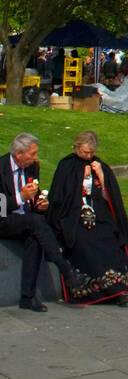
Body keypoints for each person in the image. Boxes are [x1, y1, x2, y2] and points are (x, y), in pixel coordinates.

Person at [0, 133, 89, 311]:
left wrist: (40, 202)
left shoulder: (32, 168)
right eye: (31, 154)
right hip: (4, 219)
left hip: (25, 219)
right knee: (36, 222)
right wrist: (20, 197)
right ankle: (67, 271)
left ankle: (28, 297)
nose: (35, 158)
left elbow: (35, 195)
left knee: (35, 236)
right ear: (18, 154)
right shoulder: (0, 168)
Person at [48, 131, 128, 305]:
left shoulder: (99, 165)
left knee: (110, 237)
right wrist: (80, 178)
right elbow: (60, 197)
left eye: (91, 153)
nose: (88, 156)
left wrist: (102, 178)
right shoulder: (66, 165)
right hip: (74, 217)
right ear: (76, 148)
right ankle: (97, 287)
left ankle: (118, 287)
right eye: (84, 153)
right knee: (85, 240)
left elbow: (110, 196)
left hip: (100, 215)